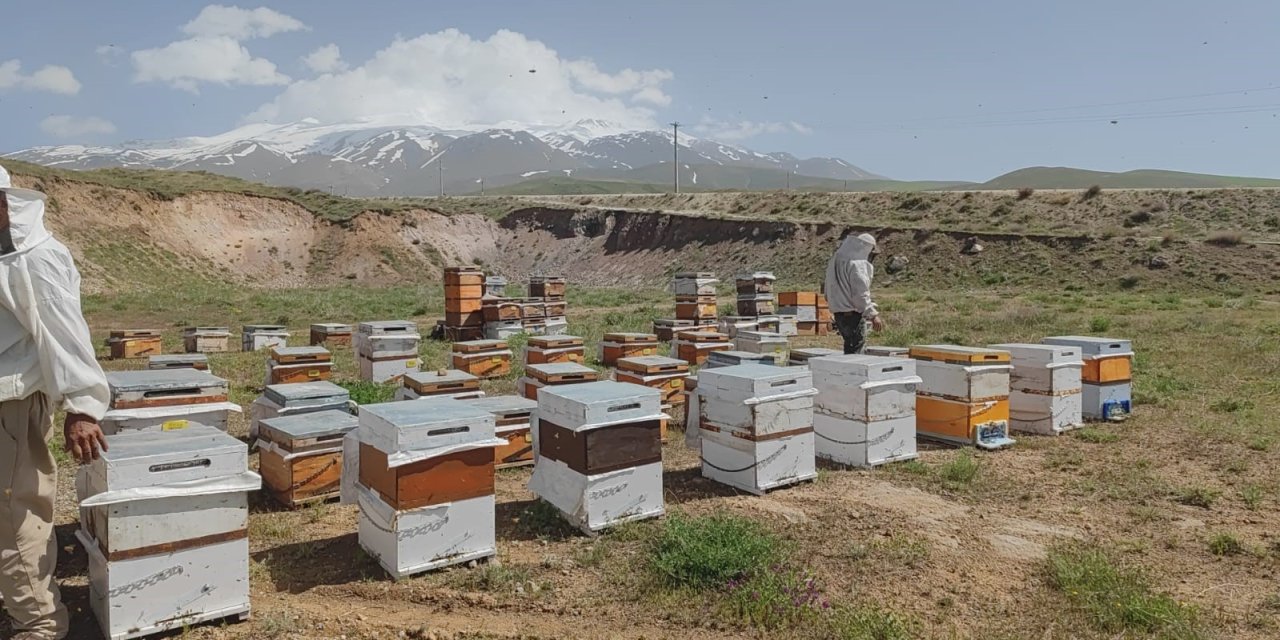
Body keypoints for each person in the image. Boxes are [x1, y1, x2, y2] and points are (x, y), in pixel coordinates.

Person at [0, 163, 110, 640]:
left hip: (12, 405)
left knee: (16, 515)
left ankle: (38, 624)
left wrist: (82, 407)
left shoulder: (36, 257)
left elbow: (65, 333)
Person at [823, 232, 885, 354]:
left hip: (839, 315)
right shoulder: (857, 265)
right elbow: (860, 294)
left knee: (849, 349)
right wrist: (873, 315)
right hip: (852, 316)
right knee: (856, 353)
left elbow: (827, 289)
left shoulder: (835, 260)